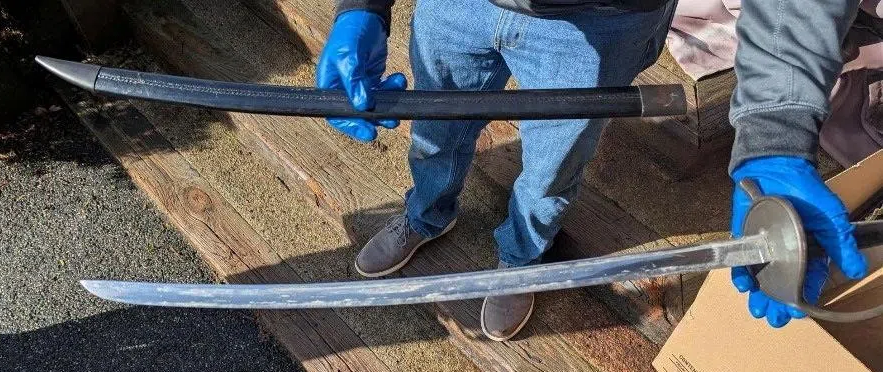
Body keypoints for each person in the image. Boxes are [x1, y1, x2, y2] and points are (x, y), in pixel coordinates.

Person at [316, 0, 869, 340]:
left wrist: (775, 128)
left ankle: (521, 261)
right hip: (455, 8)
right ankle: (425, 214)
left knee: (552, 169)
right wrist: (362, 6)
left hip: (602, 23)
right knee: (435, 134)